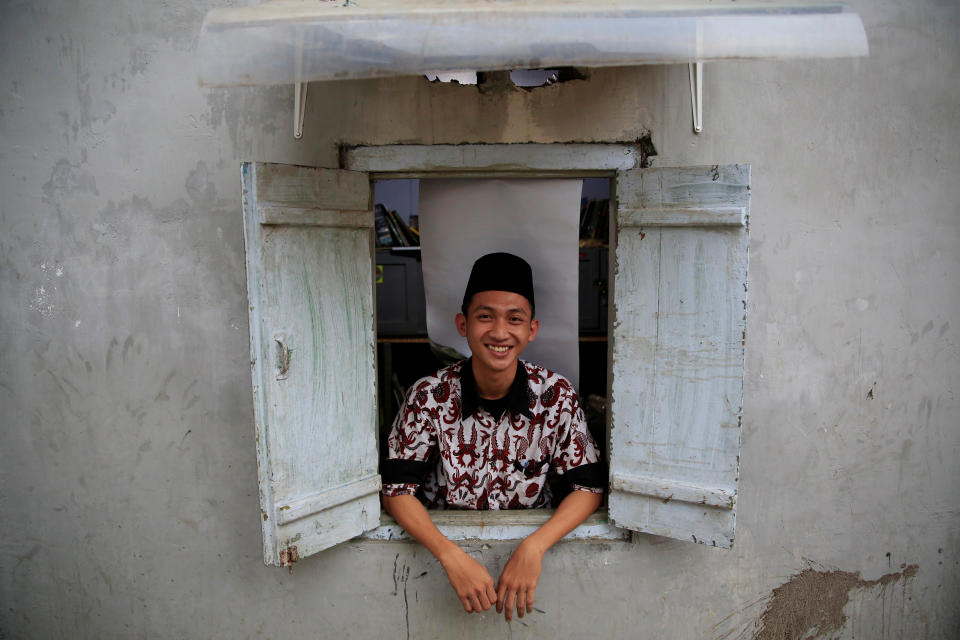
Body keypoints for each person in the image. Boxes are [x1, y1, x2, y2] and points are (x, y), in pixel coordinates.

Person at [381, 252, 605, 622]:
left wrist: (535, 547)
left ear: (531, 329)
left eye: (514, 319)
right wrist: (449, 554)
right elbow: (396, 490)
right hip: (437, 575)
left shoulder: (556, 395)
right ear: (462, 324)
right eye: (485, 316)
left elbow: (589, 489)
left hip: (534, 579)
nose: (500, 332)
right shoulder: (428, 395)